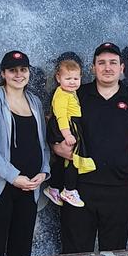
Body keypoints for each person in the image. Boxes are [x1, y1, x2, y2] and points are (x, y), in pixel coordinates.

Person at [53, 42, 128, 256]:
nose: (108, 67)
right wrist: (58, 148)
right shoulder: (77, 95)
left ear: (122, 68)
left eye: (113, 63)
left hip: (120, 192)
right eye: (102, 63)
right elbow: (55, 129)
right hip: (79, 191)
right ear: (93, 67)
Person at [0, 50, 51, 256]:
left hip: (29, 189)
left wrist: (44, 172)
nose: (19, 74)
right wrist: (13, 176)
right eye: (12, 70)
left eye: (23, 70)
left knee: (21, 253)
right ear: (3, 73)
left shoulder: (35, 102)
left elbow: (42, 144)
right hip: (0, 189)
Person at [44, 59, 95, 207]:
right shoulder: (61, 94)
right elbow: (60, 116)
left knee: (63, 160)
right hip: (65, 126)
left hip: (70, 125)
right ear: (58, 78)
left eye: (76, 78)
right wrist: (67, 134)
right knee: (74, 157)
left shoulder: (70, 92)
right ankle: (69, 190)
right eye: (68, 78)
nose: (72, 82)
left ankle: (54, 187)